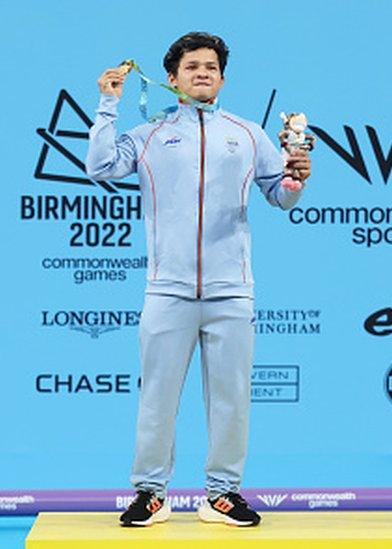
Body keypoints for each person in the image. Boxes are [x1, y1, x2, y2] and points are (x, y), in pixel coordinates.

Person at [86, 32, 311, 527]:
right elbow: (100, 165)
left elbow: (281, 194)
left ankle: (223, 493)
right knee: (157, 398)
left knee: (232, 399)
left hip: (232, 291)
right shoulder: (150, 136)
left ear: (223, 78)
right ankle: (150, 492)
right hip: (168, 290)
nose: (202, 73)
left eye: (211, 66)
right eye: (191, 67)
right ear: (172, 79)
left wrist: (296, 179)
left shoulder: (249, 133)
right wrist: (108, 102)